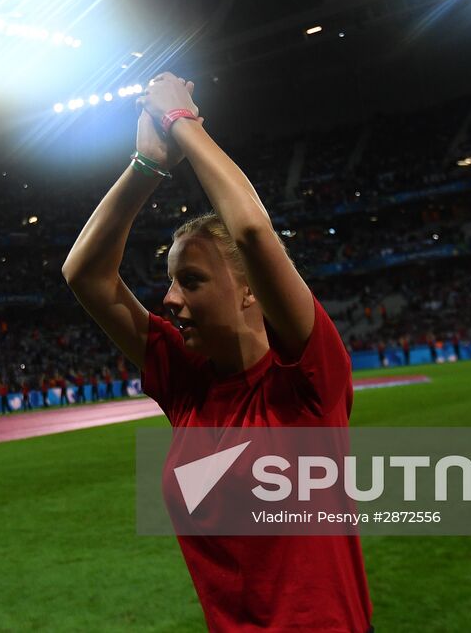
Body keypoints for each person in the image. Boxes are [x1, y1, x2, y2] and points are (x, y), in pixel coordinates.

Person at [63, 73, 372, 632]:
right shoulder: (186, 382)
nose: (170, 298)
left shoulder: (305, 380)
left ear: (250, 287)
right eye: (170, 281)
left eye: (192, 281)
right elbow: (84, 275)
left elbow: (252, 232)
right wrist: (146, 165)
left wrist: (185, 123)